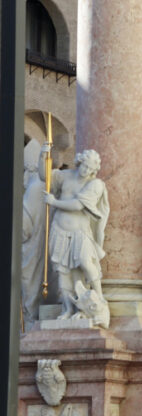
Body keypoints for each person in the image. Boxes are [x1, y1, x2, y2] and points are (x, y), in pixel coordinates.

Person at [43, 147, 109, 321]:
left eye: (90, 169)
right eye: (84, 166)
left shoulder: (95, 184)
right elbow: (45, 177)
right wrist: (44, 154)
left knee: (86, 262)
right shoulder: (65, 176)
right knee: (63, 273)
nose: (86, 171)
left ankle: (100, 298)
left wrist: (54, 202)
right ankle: (67, 309)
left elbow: (78, 205)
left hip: (80, 232)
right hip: (59, 230)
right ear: (79, 162)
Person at [21, 139, 45, 326]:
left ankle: (29, 328)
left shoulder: (34, 188)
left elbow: (24, 229)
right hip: (44, 248)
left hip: (32, 250)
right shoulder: (48, 186)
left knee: (30, 288)